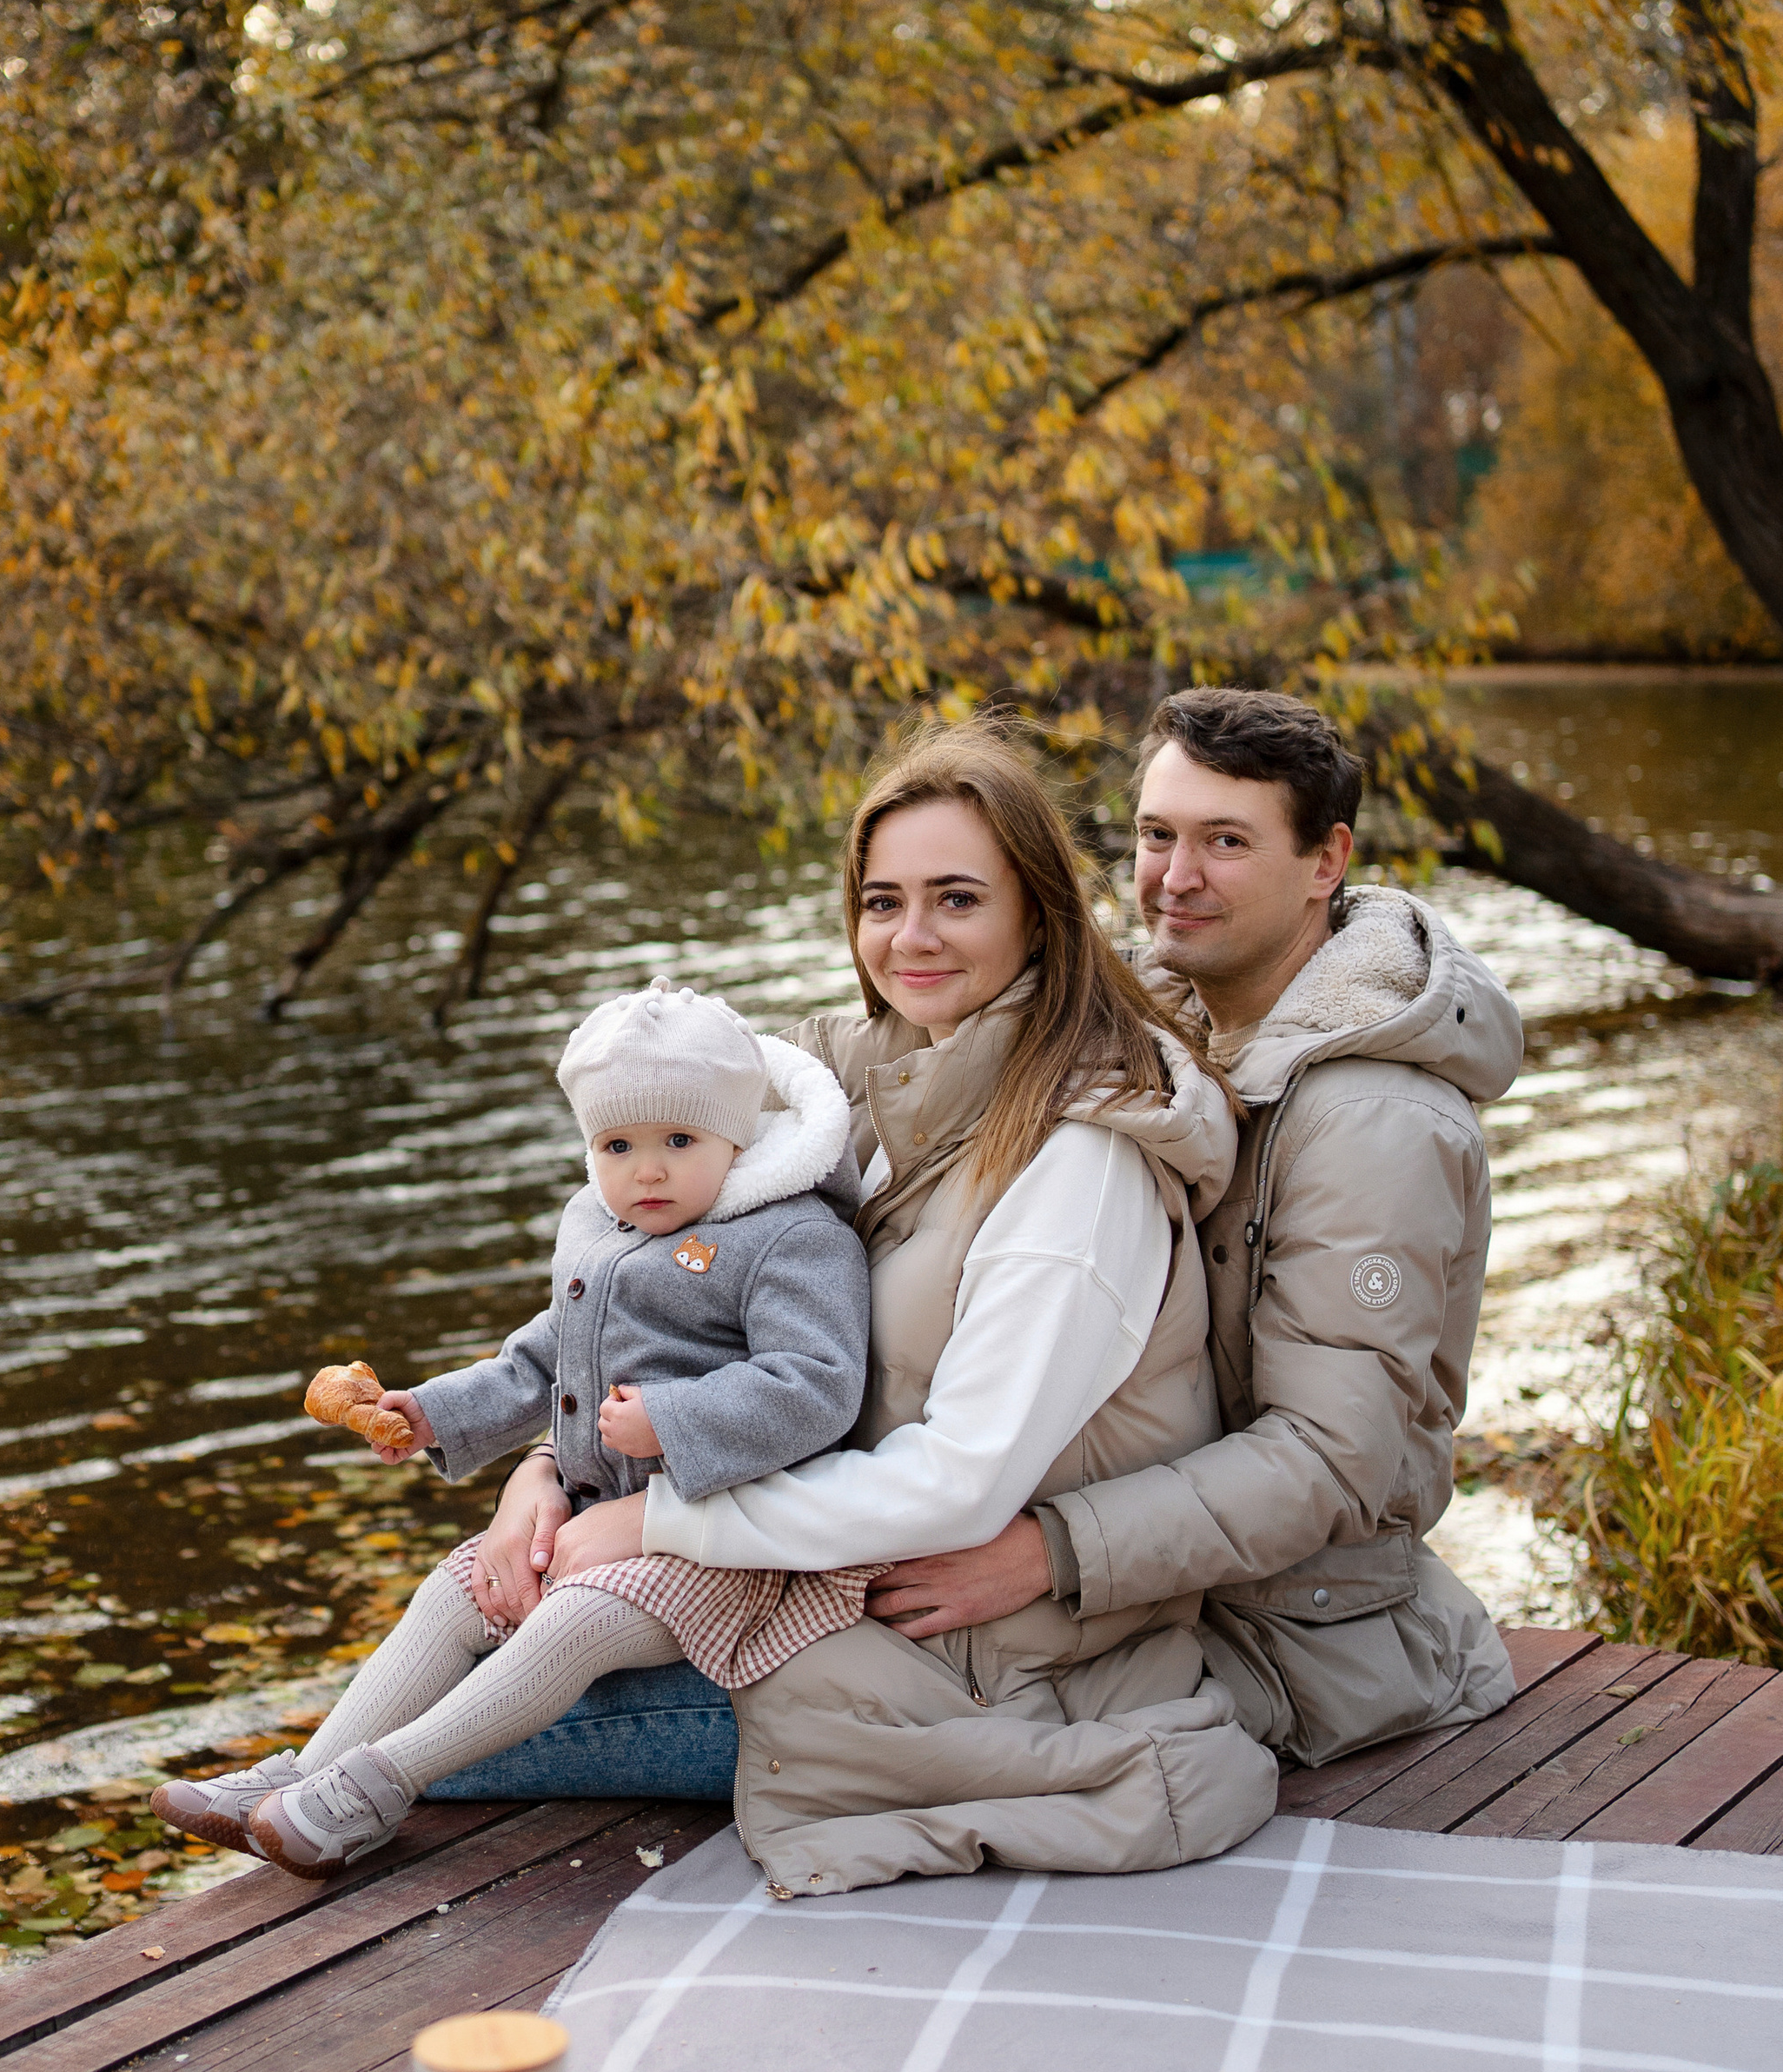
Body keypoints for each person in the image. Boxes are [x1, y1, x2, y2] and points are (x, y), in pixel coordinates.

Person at [543, 720, 1282, 1895]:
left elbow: (962, 1481)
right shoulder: (883, 1105)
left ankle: (295, 1804)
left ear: (1039, 915)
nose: (912, 937)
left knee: (456, 1737)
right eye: (882, 902)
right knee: (471, 1635)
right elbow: (675, 1320)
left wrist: (662, 1523)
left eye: (957, 900)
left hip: (978, 1664)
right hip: (820, 1588)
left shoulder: (1079, 1162)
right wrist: (545, 1474)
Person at [848, 686, 1520, 1770]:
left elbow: (1330, 1458)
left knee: (809, 1725)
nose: (1175, 876)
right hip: (1136, 1589)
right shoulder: (1158, 1018)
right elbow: (895, 1036)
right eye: (1157, 835)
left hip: (1280, 1635)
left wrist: (1046, 1553)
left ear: (1325, 860)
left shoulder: (1373, 1123)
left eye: (1225, 841)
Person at [152, 975, 876, 1872]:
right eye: (617, 1145)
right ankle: (300, 1778)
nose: (647, 1171)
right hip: (594, 1520)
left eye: (680, 1141)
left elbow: (819, 1384)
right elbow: (542, 1358)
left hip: (729, 1542)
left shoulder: (791, 1236)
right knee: (455, 1594)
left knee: (570, 1623)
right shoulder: (599, 1227)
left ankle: (374, 1788)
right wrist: (431, 1413)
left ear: (737, 1135)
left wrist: (674, 1418)